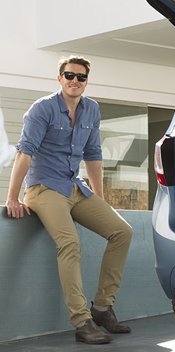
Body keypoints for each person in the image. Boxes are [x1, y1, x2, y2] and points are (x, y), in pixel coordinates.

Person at [4, 56, 133, 345]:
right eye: (70, 75)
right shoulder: (42, 109)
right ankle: (81, 321)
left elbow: (93, 154)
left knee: (122, 231)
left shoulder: (92, 109)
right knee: (69, 243)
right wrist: (12, 197)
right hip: (44, 188)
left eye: (81, 77)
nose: (75, 80)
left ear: (86, 81)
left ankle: (102, 308)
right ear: (59, 78)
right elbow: (25, 153)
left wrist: (100, 200)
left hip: (75, 187)